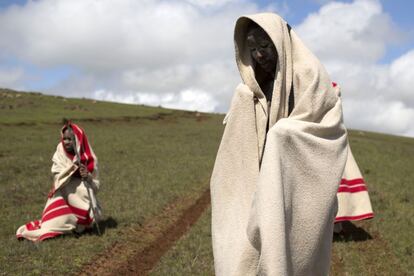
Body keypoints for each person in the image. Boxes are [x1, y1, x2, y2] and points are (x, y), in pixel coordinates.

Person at [210, 12, 367, 275]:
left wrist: (284, 137)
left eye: (265, 47)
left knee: (295, 252)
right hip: (263, 169)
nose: (259, 55)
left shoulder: (309, 73)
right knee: (243, 243)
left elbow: (326, 123)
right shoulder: (258, 80)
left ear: (279, 41)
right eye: (253, 49)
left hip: (299, 179)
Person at [16, 122, 101, 242]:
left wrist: (88, 177)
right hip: (63, 191)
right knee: (66, 193)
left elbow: (96, 187)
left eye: (70, 139)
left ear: (78, 139)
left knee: (83, 189)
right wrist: (73, 169)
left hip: (83, 194)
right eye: (64, 139)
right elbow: (57, 176)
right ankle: (64, 222)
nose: (66, 142)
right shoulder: (59, 152)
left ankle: (83, 223)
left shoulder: (90, 158)